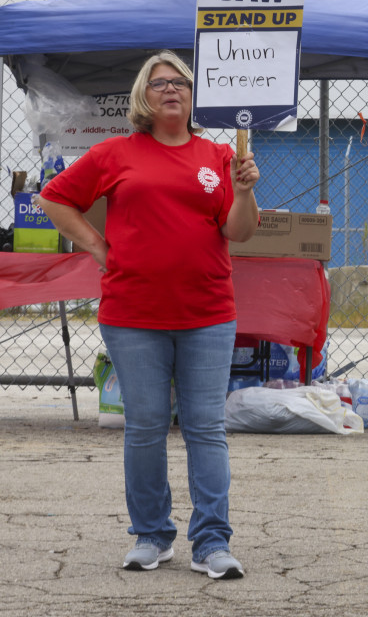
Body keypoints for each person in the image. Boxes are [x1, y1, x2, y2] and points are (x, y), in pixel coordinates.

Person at [38, 50, 260, 580]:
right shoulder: (115, 153)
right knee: (145, 427)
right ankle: (151, 536)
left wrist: (247, 192)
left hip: (208, 312)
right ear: (144, 94)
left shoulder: (218, 157)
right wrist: (96, 244)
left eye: (181, 82)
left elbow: (239, 232)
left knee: (206, 428)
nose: (171, 89)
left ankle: (211, 543)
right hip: (133, 313)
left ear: (192, 94)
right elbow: (55, 198)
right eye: (160, 82)